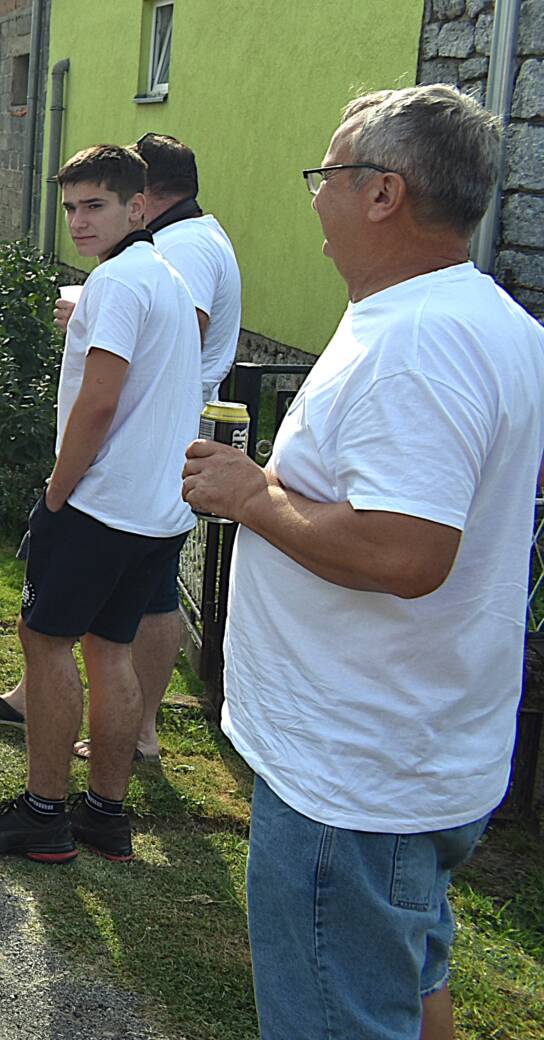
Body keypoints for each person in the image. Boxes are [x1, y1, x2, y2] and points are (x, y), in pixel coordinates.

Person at [183, 85, 544, 1040]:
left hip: (356, 773)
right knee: (412, 980)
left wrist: (250, 494)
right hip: (420, 745)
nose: (316, 197)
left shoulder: (417, 341)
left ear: (384, 193)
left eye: (328, 175)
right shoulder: (487, 318)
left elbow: (405, 550)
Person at [0, 132, 238, 761]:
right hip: (155, 501)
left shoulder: (118, 280)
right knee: (109, 649)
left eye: (95, 207)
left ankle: (45, 801)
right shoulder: (165, 273)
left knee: (46, 641)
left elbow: (99, 402)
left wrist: (57, 493)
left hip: (103, 498)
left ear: (137, 207)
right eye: (70, 208)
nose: (79, 222)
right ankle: (107, 803)